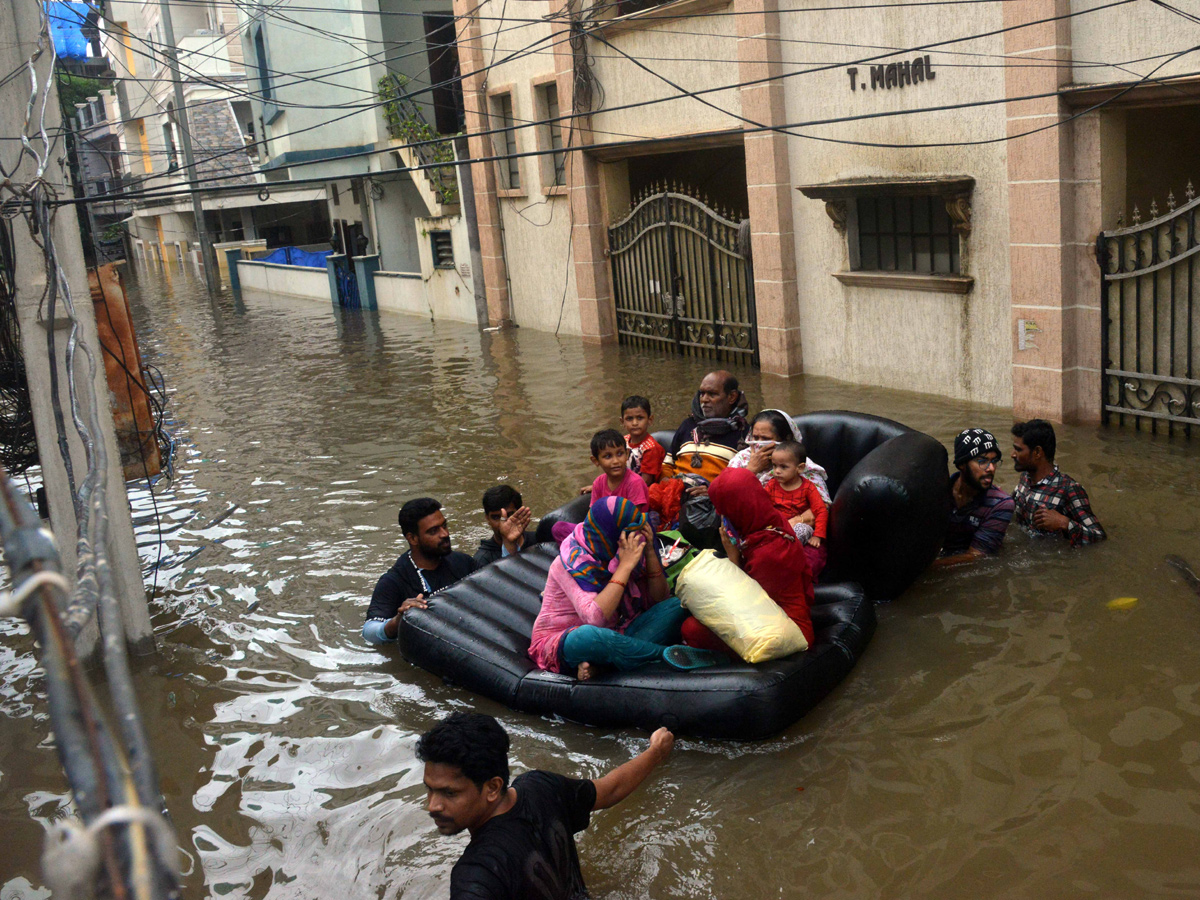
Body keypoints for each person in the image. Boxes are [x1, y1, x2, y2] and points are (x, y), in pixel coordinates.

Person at [417, 711, 676, 900]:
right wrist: (655, 752)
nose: (433, 806)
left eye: (449, 793)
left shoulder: (478, 874)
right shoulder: (541, 786)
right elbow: (611, 789)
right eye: (430, 789)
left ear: (493, 788)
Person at [528, 497, 720, 681]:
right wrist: (624, 566)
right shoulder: (569, 562)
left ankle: (605, 665)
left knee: (678, 604)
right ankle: (665, 655)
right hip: (568, 639)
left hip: (621, 631)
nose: (632, 537)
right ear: (608, 535)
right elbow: (594, 618)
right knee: (586, 636)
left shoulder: (627, 547)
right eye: (625, 533)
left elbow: (659, 599)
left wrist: (651, 552)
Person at [680, 467, 815, 658]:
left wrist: (734, 557)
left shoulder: (767, 552)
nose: (720, 514)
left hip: (788, 634)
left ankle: (720, 661)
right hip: (777, 614)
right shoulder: (770, 519)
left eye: (723, 509)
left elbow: (746, 605)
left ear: (736, 509)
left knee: (691, 628)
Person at [363, 498, 477, 645]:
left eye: (444, 525)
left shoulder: (462, 562)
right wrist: (399, 620)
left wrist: (509, 545)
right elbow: (369, 632)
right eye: (433, 531)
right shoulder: (393, 581)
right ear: (413, 538)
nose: (444, 534)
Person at [1010, 419, 1106, 546]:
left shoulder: (1069, 489)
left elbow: (1099, 536)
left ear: (1037, 452)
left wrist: (1064, 523)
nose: (1013, 455)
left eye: (1018, 450)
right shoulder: (1025, 479)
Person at [933, 428, 1015, 568]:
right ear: (962, 464)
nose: (991, 468)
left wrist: (928, 567)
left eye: (994, 461)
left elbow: (977, 556)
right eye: (982, 461)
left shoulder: (1001, 504)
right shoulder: (936, 491)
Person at [659, 370, 749, 496]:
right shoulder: (688, 425)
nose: (704, 399)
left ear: (732, 397)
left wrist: (712, 492)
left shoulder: (744, 433)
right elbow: (667, 465)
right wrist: (668, 486)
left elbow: (744, 481)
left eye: (712, 394)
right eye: (702, 394)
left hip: (714, 502)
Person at [728, 409, 831, 502]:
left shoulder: (801, 466)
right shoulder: (741, 459)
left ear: (786, 439)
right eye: (755, 437)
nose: (758, 444)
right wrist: (750, 470)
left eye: (765, 438)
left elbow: (823, 506)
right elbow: (725, 496)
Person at [763, 441, 828, 578]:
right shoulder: (772, 485)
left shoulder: (808, 488)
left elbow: (821, 510)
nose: (777, 471)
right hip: (777, 528)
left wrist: (818, 535)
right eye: (774, 466)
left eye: (783, 467)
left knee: (801, 529)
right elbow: (762, 505)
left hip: (800, 528)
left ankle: (783, 552)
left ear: (800, 468)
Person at [580, 429, 649, 513]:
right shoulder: (598, 483)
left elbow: (633, 519)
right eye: (608, 456)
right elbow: (594, 513)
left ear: (627, 454)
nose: (616, 461)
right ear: (596, 461)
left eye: (620, 454)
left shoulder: (635, 483)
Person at [474, 485, 535, 567]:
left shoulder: (539, 541)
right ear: (487, 519)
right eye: (496, 517)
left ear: (520, 513)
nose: (503, 524)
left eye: (509, 515)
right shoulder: (483, 560)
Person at [621, 395, 665, 487]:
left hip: (642, 491)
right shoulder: (622, 441)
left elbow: (645, 481)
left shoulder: (651, 448)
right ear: (622, 422)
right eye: (629, 419)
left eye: (640, 418)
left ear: (650, 420)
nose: (635, 423)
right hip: (624, 485)